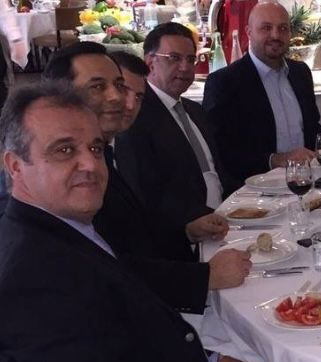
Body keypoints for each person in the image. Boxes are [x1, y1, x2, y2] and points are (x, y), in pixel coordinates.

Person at [0, 82, 294, 362]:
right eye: (64, 150)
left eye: (95, 148)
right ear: (15, 166)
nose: (90, 165)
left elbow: (129, 334)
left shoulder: (61, 229)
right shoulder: (34, 276)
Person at [42, 42, 250, 313]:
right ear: (58, 96)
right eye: (98, 86)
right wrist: (204, 277)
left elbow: (132, 235)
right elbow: (97, 266)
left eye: (120, 86)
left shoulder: (104, 153)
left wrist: (186, 230)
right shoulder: (56, 172)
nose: (120, 99)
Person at [117, 22, 240, 260]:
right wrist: (190, 225)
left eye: (190, 59)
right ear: (150, 62)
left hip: (226, 222)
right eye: (174, 58)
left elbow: (218, 173)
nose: (185, 68)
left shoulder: (194, 110)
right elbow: (146, 195)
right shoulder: (135, 119)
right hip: (182, 243)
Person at [203, 2, 321, 181]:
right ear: (249, 32)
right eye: (266, 28)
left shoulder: (300, 73)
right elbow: (220, 151)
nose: (275, 35)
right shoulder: (224, 82)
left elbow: (310, 131)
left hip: (306, 181)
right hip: (255, 189)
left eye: (282, 28)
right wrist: (276, 160)